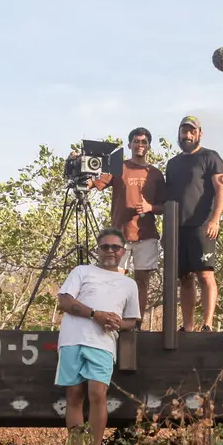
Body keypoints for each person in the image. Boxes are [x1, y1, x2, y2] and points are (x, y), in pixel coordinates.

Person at [55, 227, 142, 445]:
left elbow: (132, 321)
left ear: (123, 251)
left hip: (103, 343)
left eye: (115, 247)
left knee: (98, 394)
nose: (110, 251)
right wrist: (95, 315)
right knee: (73, 395)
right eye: (105, 247)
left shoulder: (129, 284)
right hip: (72, 339)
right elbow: (64, 301)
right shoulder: (82, 271)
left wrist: (115, 322)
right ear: (97, 250)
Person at [85, 127, 166, 327]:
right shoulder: (117, 167)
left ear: (148, 146)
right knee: (115, 279)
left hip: (146, 234)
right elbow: (93, 183)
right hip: (120, 235)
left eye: (144, 142)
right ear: (129, 144)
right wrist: (81, 168)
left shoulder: (155, 173)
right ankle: (113, 320)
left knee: (141, 282)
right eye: (136, 141)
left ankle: (135, 323)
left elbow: (165, 206)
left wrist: (149, 207)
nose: (140, 145)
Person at [164, 116, 223, 331]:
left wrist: (215, 219)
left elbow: (221, 190)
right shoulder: (172, 163)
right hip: (177, 227)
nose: (188, 135)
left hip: (203, 225)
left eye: (192, 131)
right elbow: (168, 196)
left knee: (205, 274)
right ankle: (188, 325)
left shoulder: (211, 157)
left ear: (200, 133)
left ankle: (208, 324)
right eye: (184, 131)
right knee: (184, 277)